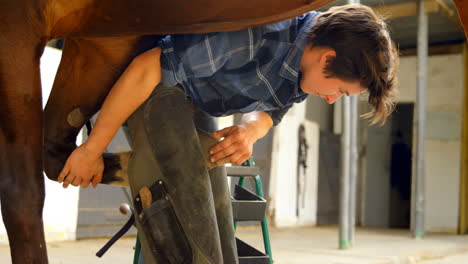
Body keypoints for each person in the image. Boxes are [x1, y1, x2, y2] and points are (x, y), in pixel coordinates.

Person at [57, 4, 399, 264]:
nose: (330, 98)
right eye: (338, 90)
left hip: (197, 106)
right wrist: (91, 149)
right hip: (153, 90)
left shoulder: (305, 69)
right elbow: (147, 67)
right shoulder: (260, 32)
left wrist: (250, 131)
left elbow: (272, 111)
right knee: (191, 210)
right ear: (327, 58)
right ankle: (125, 169)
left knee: (219, 217)